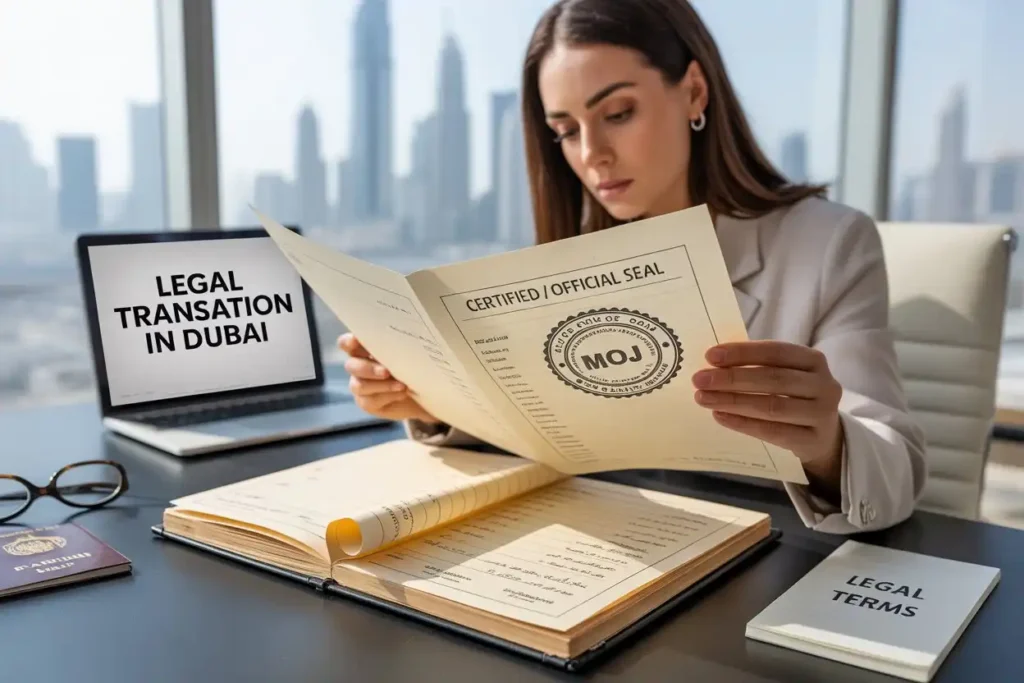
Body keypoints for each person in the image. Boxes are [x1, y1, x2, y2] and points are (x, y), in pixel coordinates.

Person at [338, 0, 927, 535]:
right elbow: (548, 434)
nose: (591, 153)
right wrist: (432, 399)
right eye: (566, 131)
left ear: (694, 92)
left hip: (767, 560)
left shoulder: (828, 243)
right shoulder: (567, 260)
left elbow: (895, 467)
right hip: (603, 549)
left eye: (617, 113)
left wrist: (827, 444)